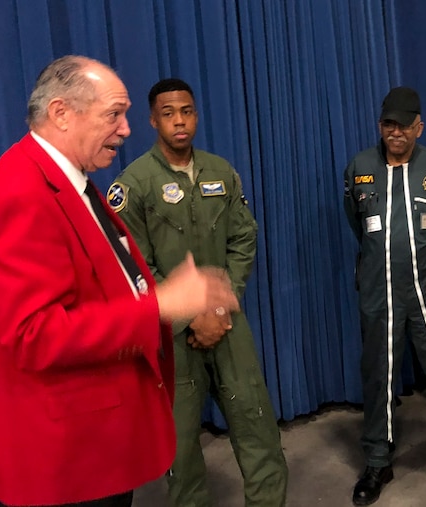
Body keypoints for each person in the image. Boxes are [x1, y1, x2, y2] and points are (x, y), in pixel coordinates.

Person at [0, 56, 240, 507]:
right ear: (61, 113)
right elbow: (34, 335)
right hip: (63, 461)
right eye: (113, 114)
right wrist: (159, 305)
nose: (126, 129)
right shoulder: (17, 192)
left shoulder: (70, 179)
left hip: (97, 442)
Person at [110, 78, 288, 507]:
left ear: (196, 114)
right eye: (168, 113)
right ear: (153, 120)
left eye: (186, 111)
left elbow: (244, 239)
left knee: (257, 425)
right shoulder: (134, 185)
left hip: (228, 324)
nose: (179, 121)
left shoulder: (221, 172)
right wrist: (191, 316)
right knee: (181, 444)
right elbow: (135, 267)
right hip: (171, 335)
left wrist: (222, 307)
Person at [343, 86, 426, 506]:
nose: (395, 132)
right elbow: (356, 221)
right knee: (378, 373)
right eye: (388, 124)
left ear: (420, 126)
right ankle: (378, 459)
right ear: (379, 125)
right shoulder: (360, 167)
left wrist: (419, 255)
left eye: (404, 125)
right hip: (379, 289)